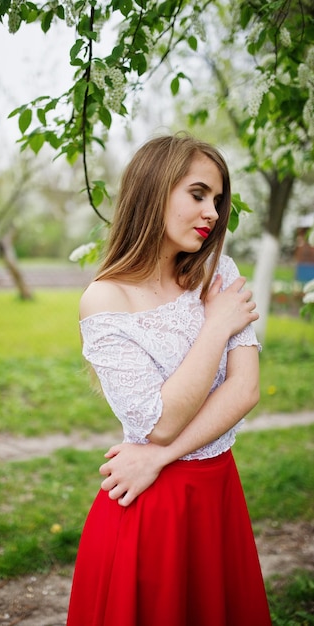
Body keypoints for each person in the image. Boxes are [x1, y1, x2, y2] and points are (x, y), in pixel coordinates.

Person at [66, 133, 272, 626]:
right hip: (153, 511)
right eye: (198, 194)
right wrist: (218, 324)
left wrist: (157, 457)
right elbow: (160, 420)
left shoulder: (219, 271)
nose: (212, 213)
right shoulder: (106, 298)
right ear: (154, 190)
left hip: (215, 491)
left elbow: (244, 390)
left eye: (218, 201)